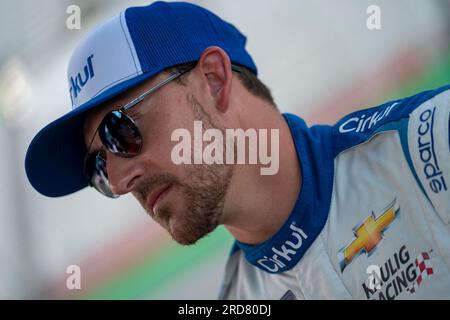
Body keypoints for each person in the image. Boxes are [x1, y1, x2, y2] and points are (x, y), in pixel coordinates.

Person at [25, 1, 450, 300]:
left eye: (120, 130)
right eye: (98, 164)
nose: (118, 182)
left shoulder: (426, 147)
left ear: (213, 80)